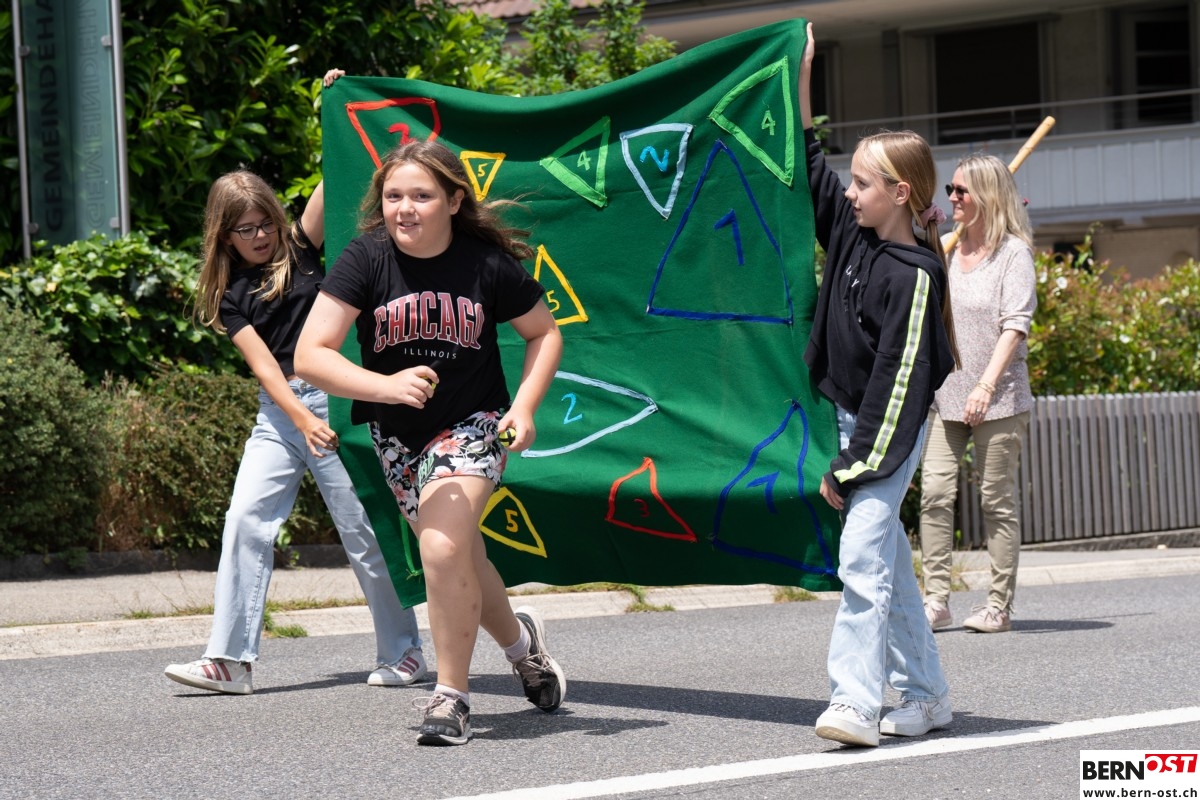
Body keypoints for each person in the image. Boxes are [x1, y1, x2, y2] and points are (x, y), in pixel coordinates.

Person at [294, 139, 566, 746]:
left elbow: (544, 333)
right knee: (459, 558)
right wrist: (385, 386)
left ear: (454, 200)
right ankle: (522, 647)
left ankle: (451, 698)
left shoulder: (485, 264)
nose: (405, 208)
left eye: (421, 195)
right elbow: (311, 354)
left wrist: (524, 407)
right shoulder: (366, 258)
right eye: (393, 196)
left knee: (441, 549)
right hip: (398, 439)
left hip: (473, 424)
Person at [164, 70, 426, 696]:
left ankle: (405, 652)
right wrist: (301, 420)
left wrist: (332, 103)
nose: (259, 236)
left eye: (265, 223)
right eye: (245, 229)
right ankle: (230, 661)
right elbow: (265, 368)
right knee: (244, 520)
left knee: (361, 531)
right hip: (282, 412)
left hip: (337, 401)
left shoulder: (304, 249)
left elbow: (342, 172)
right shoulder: (229, 296)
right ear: (223, 234)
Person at [799, 22, 958, 747]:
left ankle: (856, 702)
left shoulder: (914, 276)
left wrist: (853, 463)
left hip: (886, 434)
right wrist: (801, 71)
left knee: (862, 557)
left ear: (900, 194)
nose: (849, 191)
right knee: (885, 558)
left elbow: (899, 387)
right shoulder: (852, 233)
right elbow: (810, 163)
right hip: (856, 425)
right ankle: (926, 696)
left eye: (862, 183)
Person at [919, 154, 1037, 634]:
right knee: (934, 494)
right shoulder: (947, 250)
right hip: (947, 395)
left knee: (995, 501)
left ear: (986, 195)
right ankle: (936, 601)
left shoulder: (1014, 254)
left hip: (999, 398)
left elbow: (1015, 326)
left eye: (960, 190)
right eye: (950, 189)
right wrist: (926, 232)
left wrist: (986, 385)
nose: (951, 197)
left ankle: (998, 606)